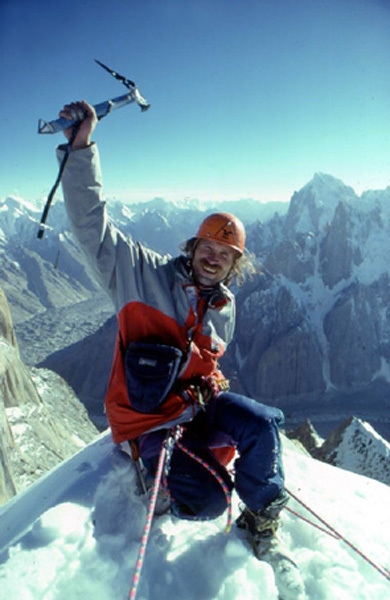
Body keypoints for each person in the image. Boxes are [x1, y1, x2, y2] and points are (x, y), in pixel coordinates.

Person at [56, 101, 300, 582]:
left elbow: (205, 362)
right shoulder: (140, 275)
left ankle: (261, 522)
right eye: (207, 248)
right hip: (148, 422)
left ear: (235, 265)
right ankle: (159, 480)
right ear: (192, 247)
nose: (213, 258)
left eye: (225, 255)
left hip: (196, 409)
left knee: (264, 424)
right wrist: (81, 148)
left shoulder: (224, 307)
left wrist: (211, 381)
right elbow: (93, 229)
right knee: (209, 498)